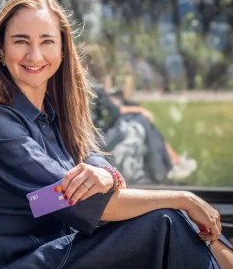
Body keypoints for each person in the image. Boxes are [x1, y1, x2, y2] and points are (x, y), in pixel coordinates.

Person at [0, 0, 233, 269]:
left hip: (59, 251)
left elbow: (93, 186)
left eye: (46, 41)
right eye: (21, 41)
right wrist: (181, 198)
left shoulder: (57, 116)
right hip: (16, 268)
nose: (34, 55)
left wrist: (108, 176)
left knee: (183, 220)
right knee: (168, 219)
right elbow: (66, 203)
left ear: (62, 49)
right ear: (1, 47)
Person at [78, 43, 197, 184]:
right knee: (142, 120)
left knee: (141, 120)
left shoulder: (85, 82)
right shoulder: (92, 85)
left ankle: (171, 164)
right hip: (100, 140)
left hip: (96, 136)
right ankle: (170, 165)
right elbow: (114, 112)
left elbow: (106, 109)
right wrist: (139, 110)